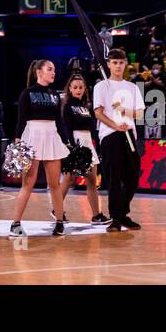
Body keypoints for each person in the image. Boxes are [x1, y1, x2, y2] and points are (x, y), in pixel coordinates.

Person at [9, 59, 69, 237]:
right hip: (32, 135)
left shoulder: (55, 95)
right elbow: (21, 120)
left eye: (54, 70)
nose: (53, 73)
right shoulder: (27, 93)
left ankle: (59, 222)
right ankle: (15, 223)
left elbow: (59, 121)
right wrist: (18, 143)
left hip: (51, 136)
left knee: (55, 184)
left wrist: (67, 142)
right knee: (28, 183)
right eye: (50, 69)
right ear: (39, 72)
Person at [94, 49, 144, 231]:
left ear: (125, 64)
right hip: (110, 135)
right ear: (108, 64)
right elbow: (98, 113)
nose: (118, 66)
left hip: (129, 133)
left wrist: (124, 111)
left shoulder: (132, 87)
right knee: (114, 177)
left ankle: (123, 213)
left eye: (121, 62)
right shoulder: (101, 87)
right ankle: (116, 217)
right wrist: (115, 125)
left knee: (132, 177)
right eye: (114, 62)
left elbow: (139, 113)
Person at [59, 73, 106, 224]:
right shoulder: (67, 107)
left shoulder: (86, 107)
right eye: (75, 87)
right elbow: (66, 128)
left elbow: (93, 129)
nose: (78, 90)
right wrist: (73, 148)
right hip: (76, 144)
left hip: (88, 144)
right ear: (70, 89)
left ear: (85, 89)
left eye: (81, 87)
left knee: (92, 181)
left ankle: (96, 215)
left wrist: (97, 146)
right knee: (68, 180)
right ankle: (56, 209)